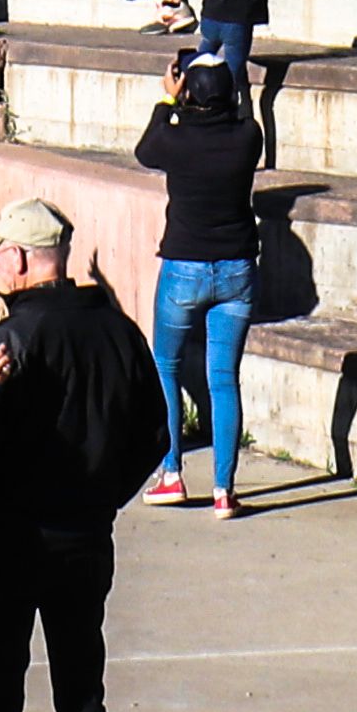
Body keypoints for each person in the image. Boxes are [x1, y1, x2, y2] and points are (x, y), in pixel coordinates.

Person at [0, 194, 167, 712]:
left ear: (19, 258)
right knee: (81, 694)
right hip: (84, 537)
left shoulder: (4, 345)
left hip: (5, 544)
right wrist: (101, 498)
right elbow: (154, 437)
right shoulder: (119, 333)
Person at [134, 57, 265, 512]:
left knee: (166, 367)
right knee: (224, 379)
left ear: (190, 93)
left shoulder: (175, 139)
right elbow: (240, 113)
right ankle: (224, 490)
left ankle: (172, 473)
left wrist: (169, 97)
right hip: (237, 271)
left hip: (184, 268)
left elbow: (145, 149)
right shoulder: (249, 137)